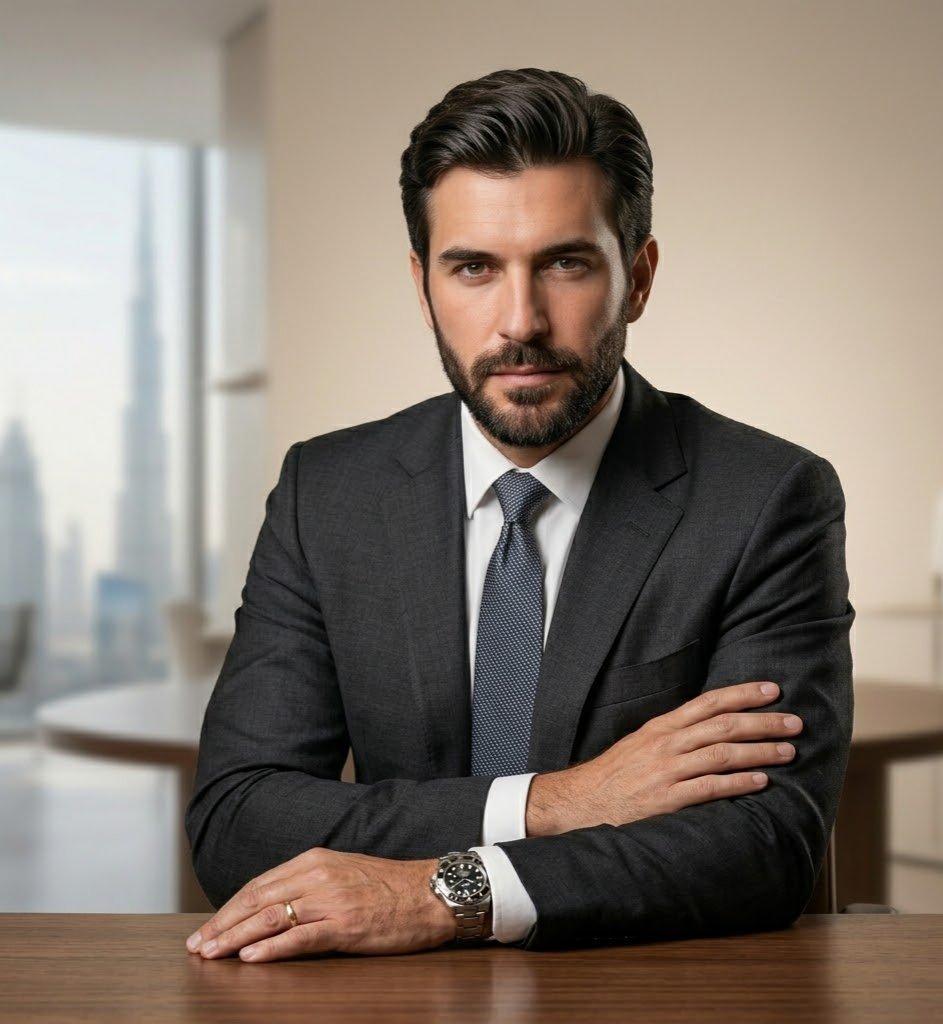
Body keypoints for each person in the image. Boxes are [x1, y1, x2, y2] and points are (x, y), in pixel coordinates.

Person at [185, 68, 853, 963]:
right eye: (473, 268)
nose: (520, 321)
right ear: (424, 286)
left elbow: (764, 844)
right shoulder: (327, 492)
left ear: (638, 277)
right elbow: (237, 818)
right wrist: (557, 802)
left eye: (565, 263)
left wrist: (441, 893)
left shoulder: (763, 498)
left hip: (646, 993)